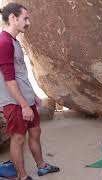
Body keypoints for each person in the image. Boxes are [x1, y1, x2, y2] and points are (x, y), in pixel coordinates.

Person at [0, 3, 60, 180]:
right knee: (18, 139)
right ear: (13, 18)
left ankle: (42, 166)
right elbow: (9, 79)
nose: (28, 22)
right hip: (15, 103)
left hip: (25, 99)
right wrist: (24, 105)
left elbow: (21, 74)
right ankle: (23, 176)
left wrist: (32, 95)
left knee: (35, 132)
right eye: (25, 18)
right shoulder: (4, 42)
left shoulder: (14, 41)